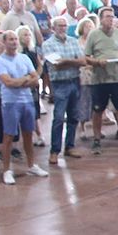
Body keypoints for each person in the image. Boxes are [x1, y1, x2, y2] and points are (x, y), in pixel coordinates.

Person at [0, 31, 48, 186]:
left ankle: (31, 165)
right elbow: (8, 82)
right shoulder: (0, 61)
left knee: (28, 134)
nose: (14, 42)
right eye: (10, 39)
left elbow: (35, 79)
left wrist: (21, 81)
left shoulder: (24, 58)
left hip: (27, 101)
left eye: (15, 39)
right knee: (9, 136)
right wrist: (25, 79)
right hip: (11, 103)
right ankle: (7, 170)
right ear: (4, 42)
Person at [84, 7, 118, 154]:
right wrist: (97, 62)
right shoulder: (93, 35)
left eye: (112, 17)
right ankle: (97, 139)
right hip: (100, 79)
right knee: (98, 110)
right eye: (107, 17)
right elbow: (86, 57)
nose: (110, 19)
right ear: (101, 19)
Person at [40, 15, 85, 166]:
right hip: (59, 83)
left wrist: (66, 61)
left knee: (73, 116)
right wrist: (73, 62)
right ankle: (54, 151)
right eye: (59, 25)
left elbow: (83, 61)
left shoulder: (73, 41)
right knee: (59, 117)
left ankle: (70, 146)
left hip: (74, 80)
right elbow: (56, 65)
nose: (62, 28)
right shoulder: (48, 44)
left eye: (64, 25)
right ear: (53, 28)